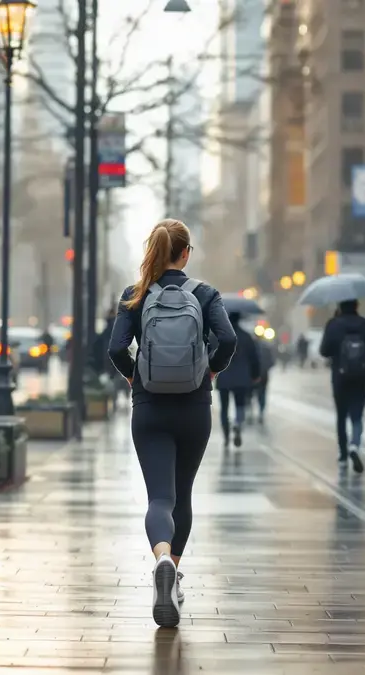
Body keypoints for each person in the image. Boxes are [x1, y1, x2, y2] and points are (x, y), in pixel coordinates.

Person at [107, 219, 236, 629]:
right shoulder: (205, 294)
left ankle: (161, 558)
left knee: (160, 499)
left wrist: (134, 376)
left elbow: (115, 348)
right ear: (185, 253)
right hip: (194, 407)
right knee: (184, 495)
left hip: (149, 407)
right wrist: (210, 370)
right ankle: (173, 575)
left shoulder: (135, 295)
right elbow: (228, 339)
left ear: (155, 250)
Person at [318, 300, 365, 474]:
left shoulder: (334, 325)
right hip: (361, 377)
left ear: (340, 306)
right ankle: (354, 444)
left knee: (341, 416)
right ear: (357, 306)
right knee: (357, 415)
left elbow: (324, 351)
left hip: (340, 377)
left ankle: (343, 454)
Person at [215, 313, 262, 447]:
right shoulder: (247, 336)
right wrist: (255, 375)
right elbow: (254, 358)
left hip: (224, 377)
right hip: (242, 378)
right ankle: (237, 424)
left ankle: (226, 434)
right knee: (240, 405)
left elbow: (213, 354)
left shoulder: (221, 335)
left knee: (224, 407)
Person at [252, 333, 276, 423]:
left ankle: (249, 412)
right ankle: (261, 412)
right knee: (262, 394)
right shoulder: (266, 347)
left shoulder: (251, 346)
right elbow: (272, 362)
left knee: (250, 394)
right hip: (263, 375)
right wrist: (265, 368)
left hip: (252, 375)